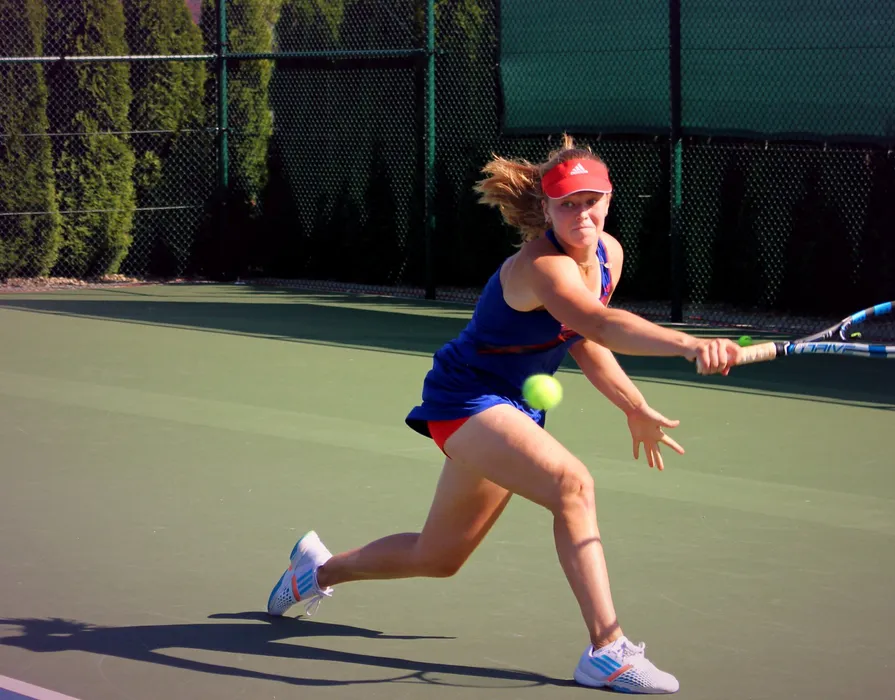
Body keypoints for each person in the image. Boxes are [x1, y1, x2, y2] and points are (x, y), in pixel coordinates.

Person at [265, 135, 741, 694]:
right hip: (466, 399)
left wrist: (634, 406)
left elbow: (583, 338)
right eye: (567, 204)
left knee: (438, 556)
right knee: (572, 485)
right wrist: (688, 344)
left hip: (513, 409)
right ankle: (608, 651)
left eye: (591, 201)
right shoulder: (541, 266)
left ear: (609, 200)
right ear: (546, 209)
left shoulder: (607, 255)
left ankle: (317, 571)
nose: (582, 214)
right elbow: (600, 324)